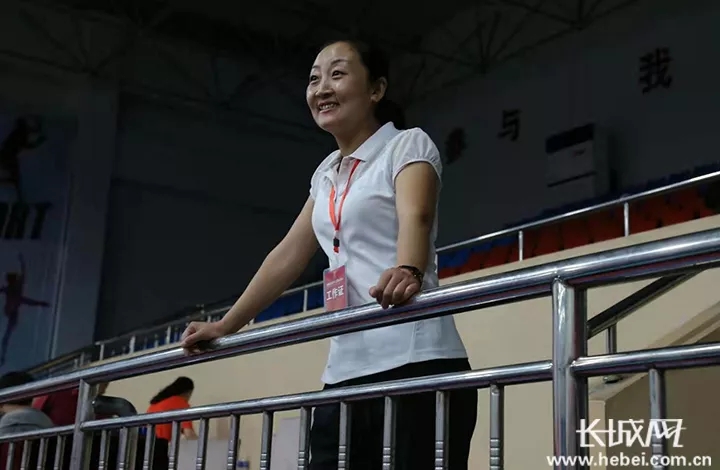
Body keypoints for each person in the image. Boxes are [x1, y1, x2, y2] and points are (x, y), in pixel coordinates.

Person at [180, 39, 477, 470]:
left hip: (417, 361)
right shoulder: (325, 174)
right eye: (314, 78)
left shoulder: (406, 145)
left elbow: (417, 214)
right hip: (343, 372)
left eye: (337, 74)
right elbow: (287, 255)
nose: (321, 88)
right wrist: (228, 324)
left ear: (376, 90)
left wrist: (409, 268)